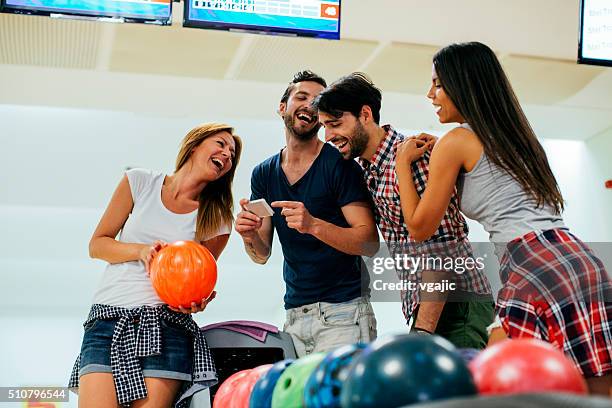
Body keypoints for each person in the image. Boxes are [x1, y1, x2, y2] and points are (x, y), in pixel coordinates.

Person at [393, 41, 611, 395]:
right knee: (596, 386)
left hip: (532, 262)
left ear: (463, 84)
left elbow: (419, 228)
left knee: (507, 387)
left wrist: (403, 161)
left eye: (438, 84)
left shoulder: (456, 141)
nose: (430, 94)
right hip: (578, 258)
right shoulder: (516, 136)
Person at [314, 73, 494, 349]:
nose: (329, 136)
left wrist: (422, 331)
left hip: (457, 306)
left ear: (365, 114)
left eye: (335, 124)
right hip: (428, 307)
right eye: (325, 126)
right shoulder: (368, 169)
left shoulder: (414, 158)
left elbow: (441, 249)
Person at [69, 123, 242, 407]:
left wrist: (194, 302)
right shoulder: (139, 182)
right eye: (221, 144)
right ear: (195, 144)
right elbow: (97, 244)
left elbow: (201, 279)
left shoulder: (217, 218)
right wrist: (142, 251)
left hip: (167, 325)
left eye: (232, 154)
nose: (227, 154)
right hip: (107, 320)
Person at [234, 70, 379, 357]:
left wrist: (313, 225)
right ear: (282, 107)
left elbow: (369, 242)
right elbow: (261, 254)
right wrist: (249, 235)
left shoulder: (340, 163)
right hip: (295, 316)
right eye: (301, 97)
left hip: (344, 313)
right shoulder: (263, 173)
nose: (309, 105)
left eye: (317, 102)